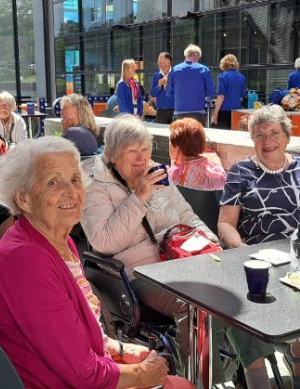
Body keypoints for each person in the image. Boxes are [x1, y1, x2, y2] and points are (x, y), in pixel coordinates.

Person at [0, 136, 192, 389]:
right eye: (52, 182)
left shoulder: (59, 241)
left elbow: (76, 332)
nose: (71, 192)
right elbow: (83, 375)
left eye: (75, 179)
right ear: (24, 199)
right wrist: (142, 374)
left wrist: (120, 348)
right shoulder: (25, 262)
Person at [81, 115, 275, 389]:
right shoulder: (96, 187)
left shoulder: (156, 173)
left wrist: (211, 244)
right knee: (198, 308)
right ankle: (206, 383)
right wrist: (139, 196)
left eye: (145, 150)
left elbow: (188, 215)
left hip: (183, 262)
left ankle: (258, 382)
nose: (141, 159)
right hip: (141, 276)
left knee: (237, 293)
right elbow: (103, 242)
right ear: (112, 154)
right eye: (132, 152)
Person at [217, 105, 300, 389]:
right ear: (253, 140)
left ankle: (299, 351)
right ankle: (262, 375)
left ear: (287, 136)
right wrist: (240, 249)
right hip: (263, 260)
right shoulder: (241, 172)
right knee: (241, 300)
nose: (267, 141)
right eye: (259, 135)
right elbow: (225, 223)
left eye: (274, 133)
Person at [168, 118, 226, 190]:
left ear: (176, 146)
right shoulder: (214, 163)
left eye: (170, 142)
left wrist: (174, 158)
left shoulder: (173, 174)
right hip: (213, 201)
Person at [168, 44, 214, 124]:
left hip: (180, 112)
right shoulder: (204, 70)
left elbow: (169, 93)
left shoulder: (175, 70)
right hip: (199, 112)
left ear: (185, 55)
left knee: (181, 136)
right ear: (198, 57)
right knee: (197, 136)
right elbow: (210, 92)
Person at [211, 54, 245, 129]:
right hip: (236, 111)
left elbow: (221, 97)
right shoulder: (242, 77)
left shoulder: (222, 76)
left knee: (221, 137)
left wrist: (215, 113)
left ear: (224, 64)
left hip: (224, 112)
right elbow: (242, 96)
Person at [151, 52, 174, 124]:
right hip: (160, 111)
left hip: (174, 110)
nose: (159, 64)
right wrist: (159, 85)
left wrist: (168, 84)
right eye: (158, 62)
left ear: (168, 62)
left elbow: (178, 91)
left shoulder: (175, 73)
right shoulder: (156, 75)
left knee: (175, 133)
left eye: (162, 62)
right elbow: (153, 93)